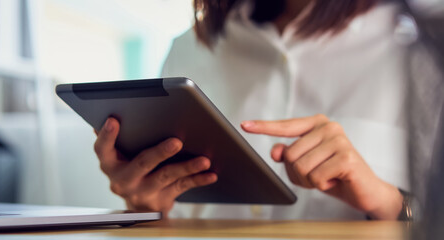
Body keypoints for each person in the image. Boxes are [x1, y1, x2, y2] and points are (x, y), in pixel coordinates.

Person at [94, 0, 410, 220]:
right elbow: (169, 214)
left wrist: (391, 203)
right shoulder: (188, 49)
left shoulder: (417, 49)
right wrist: (145, 205)